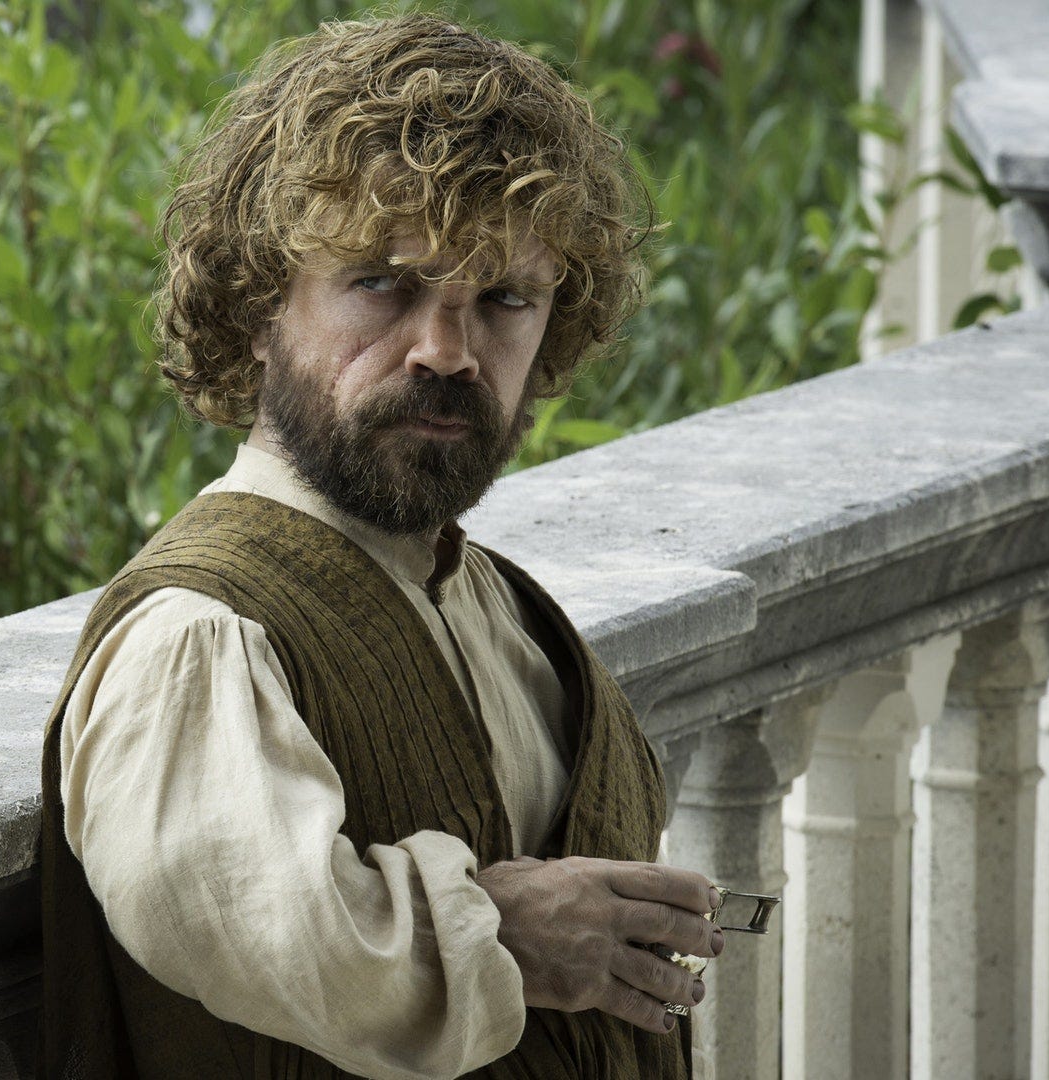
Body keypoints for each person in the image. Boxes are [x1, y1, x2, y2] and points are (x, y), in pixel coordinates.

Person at [38, 13, 728, 1080]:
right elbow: (274, 933)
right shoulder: (198, 636)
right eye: (382, 283)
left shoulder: (500, 606)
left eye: (503, 299)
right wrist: (501, 937)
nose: (447, 350)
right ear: (261, 303)